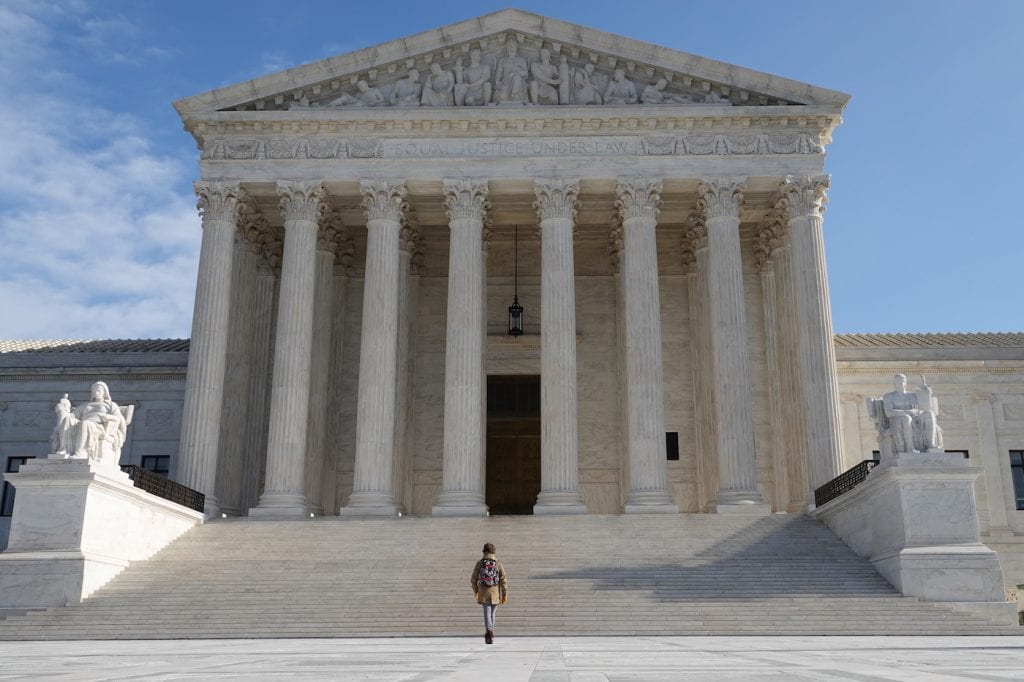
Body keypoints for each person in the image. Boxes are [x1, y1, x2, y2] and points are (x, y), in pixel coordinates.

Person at [470, 542, 507, 644]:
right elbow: (503, 580)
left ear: (484, 551)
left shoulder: (480, 563)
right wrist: (504, 594)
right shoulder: (498, 563)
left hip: (483, 591)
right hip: (495, 592)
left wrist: (476, 590)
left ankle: (489, 632)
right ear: (494, 551)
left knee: (486, 612)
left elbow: (473, 579)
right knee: (492, 614)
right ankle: (490, 632)